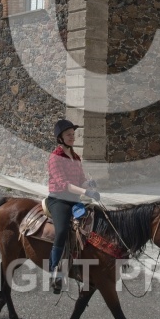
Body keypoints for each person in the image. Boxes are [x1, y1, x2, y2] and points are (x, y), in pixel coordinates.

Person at [46, 119, 100, 292]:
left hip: (75, 201)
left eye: (73, 134)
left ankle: (80, 262)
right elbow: (64, 184)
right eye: (68, 135)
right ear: (60, 138)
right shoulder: (55, 158)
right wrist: (86, 192)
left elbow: (80, 180)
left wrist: (89, 184)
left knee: (90, 225)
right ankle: (54, 270)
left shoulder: (76, 157)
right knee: (62, 230)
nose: (72, 137)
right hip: (58, 200)